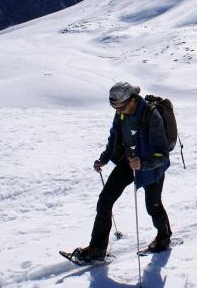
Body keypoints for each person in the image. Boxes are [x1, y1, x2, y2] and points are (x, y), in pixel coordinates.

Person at [71, 82, 172, 263]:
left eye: (121, 107)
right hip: (127, 162)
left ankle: (163, 236)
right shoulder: (121, 114)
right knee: (104, 201)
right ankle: (97, 250)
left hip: (150, 167)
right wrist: (104, 158)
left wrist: (143, 164)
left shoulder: (151, 115)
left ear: (132, 100)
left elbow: (163, 154)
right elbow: (114, 137)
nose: (118, 111)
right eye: (114, 108)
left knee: (153, 205)